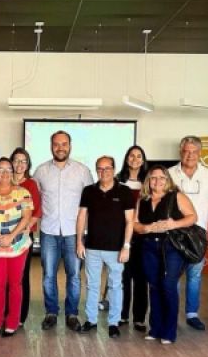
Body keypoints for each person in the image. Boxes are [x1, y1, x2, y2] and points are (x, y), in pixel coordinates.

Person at [33, 131, 93, 332]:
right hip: (48, 231)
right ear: (51, 146)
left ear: (70, 146)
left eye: (64, 144)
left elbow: (90, 203)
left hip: (74, 233)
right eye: (56, 144)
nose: (60, 148)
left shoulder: (82, 171)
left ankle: (72, 314)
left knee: (74, 275)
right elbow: (33, 199)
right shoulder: (40, 171)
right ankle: (51, 312)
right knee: (48, 275)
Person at [134, 165, 197, 344]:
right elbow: (135, 224)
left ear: (168, 180)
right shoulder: (143, 200)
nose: (158, 181)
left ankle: (169, 332)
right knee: (154, 286)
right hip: (148, 247)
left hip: (171, 247)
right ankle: (155, 329)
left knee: (168, 285)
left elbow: (192, 217)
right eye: (153, 178)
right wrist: (146, 228)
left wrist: (173, 224)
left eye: (162, 177)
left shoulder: (176, 196)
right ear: (148, 181)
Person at [76, 156, 135, 338]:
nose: (103, 172)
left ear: (114, 169)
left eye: (107, 168)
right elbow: (82, 216)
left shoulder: (124, 191)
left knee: (115, 286)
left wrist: (126, 246)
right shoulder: (89, 191)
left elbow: (130, 221)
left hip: (116, 249)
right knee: (92, 285)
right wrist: (79, 241)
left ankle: (113, 323)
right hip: (92, 248)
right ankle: (91, 320)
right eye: (100, 169)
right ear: (96, 170)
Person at [168, 136, 208, 331]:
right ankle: (171, 313)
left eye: (194, 151)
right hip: (174, 233)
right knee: (172, 275)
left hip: (198, 234)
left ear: (200, 153)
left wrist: (198, 219)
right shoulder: (169, 174)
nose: (189, 155)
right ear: (180, 152)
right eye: (186, 151)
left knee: (195, 275)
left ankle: (192, 314)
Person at [0, 157, 33, 337]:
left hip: (18, 245)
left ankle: (12, 322)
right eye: (1, 169)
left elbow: (26, 217)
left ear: (13, 172)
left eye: (8, 169)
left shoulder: (23, 192)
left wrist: (11, 236)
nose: (5, 173)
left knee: (15, 284)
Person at [117, 144, 150, 330]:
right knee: (123, 277)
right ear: (126, 158)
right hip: (122, 235)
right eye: (131, 155)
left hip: (143, 235)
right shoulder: (118, 181)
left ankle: (139, 317)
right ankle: (122, 315)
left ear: (143, 160)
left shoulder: (149, 182)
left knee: (141, 278)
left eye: (139, 156)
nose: (135, 159)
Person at [9, 147, 42, 326]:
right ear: (11, 162)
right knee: (5, 277)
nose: (20, 164)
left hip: (22, 237)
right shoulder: (4, 181)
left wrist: (23, 230)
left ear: (28, 164)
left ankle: (20, 316)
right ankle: (7, 312)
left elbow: (36, 212)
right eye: (16, 160)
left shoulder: (31, 184)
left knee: (21, 276)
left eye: (23, 161)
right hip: (3, 237)